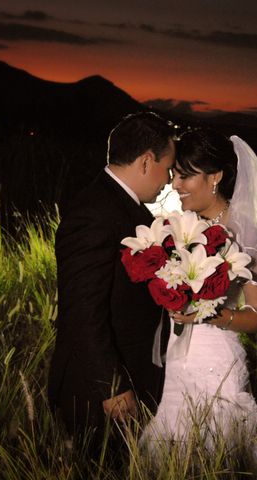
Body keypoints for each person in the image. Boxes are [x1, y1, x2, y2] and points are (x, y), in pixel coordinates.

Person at [140, 127, 257, 468]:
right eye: (174, 175)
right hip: (170, 359)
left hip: (213, 362)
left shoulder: (246, 234)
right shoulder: (174, 226)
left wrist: (209, 313)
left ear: (215, 176)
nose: (175, 185)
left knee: (215, 457)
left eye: (186, 176)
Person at [47, 112, 176, 453]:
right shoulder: (95, 213)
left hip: (131, 376)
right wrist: (112, 387)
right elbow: (82, 310)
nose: (169, 180)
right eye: (169, 167)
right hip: (101, 390)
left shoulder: (125, 208)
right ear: (147, 161)